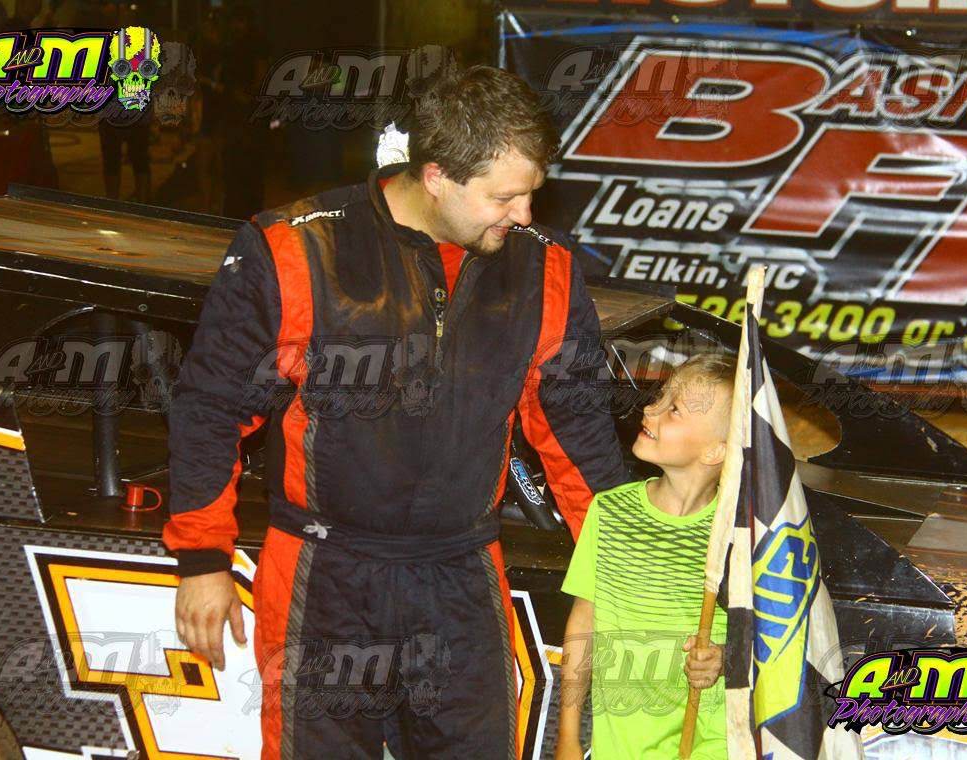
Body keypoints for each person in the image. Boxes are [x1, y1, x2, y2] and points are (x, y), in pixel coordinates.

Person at [163, 62, 628, 759]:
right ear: (436, 176)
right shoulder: (295, 247)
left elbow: (577, 428)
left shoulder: (545, 266)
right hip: (324, 570)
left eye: (532, 193)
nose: (525, 215)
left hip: (462, 571)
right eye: (505, 196)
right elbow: (212, 406)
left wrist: (630, 569)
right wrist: (203, 557)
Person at [556, 353, 733, 760]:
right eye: (659, 397)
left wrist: (725, 658)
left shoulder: (737, 531)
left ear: (714, 451)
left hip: (713, 741)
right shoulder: (611, 511)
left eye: (674, 409)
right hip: (623, 745)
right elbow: (584, 623)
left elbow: (770, 633)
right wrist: (568, 736)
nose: (650, 410)